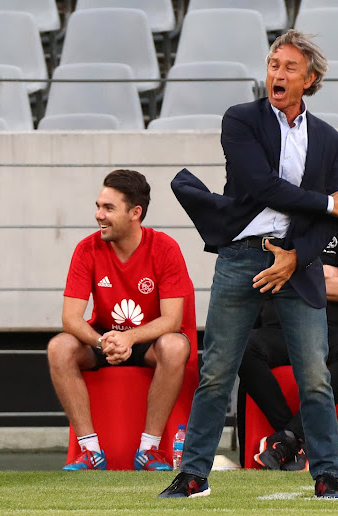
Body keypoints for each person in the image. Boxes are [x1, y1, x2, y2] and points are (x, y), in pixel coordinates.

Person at [162, 30, 338, 499]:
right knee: (216, 371)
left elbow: (322, 224)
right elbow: (261, 186)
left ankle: (327, 476)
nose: (278, 73)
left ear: (309, 80)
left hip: (297, 262)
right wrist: (328, 201)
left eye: (290, 67)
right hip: (240, 256)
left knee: (315, 375)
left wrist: (296, 256)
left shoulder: (330, 140)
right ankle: (194, 475)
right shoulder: (241, 119)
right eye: (274, 64)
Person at [47, 169, 197, 472]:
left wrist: (130, 338)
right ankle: (89, 451)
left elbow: (171, 320)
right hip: (104, 340)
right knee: (59, 347)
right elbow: (70, 318)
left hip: (149, 340)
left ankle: (149, 450)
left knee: (175, 346)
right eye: (98, 206)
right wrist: (103, 341)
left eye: (108, 208)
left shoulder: (165, 248)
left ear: (135, 213)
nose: (98, 215)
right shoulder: (87, 248)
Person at [238, 219, 338, 471]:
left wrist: (293, 275)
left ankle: (286, 439)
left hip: (334, 330)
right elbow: (258, 279)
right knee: (241, 346)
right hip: (280, 328)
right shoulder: (270, 228)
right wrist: (326, 274)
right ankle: (293, 436)